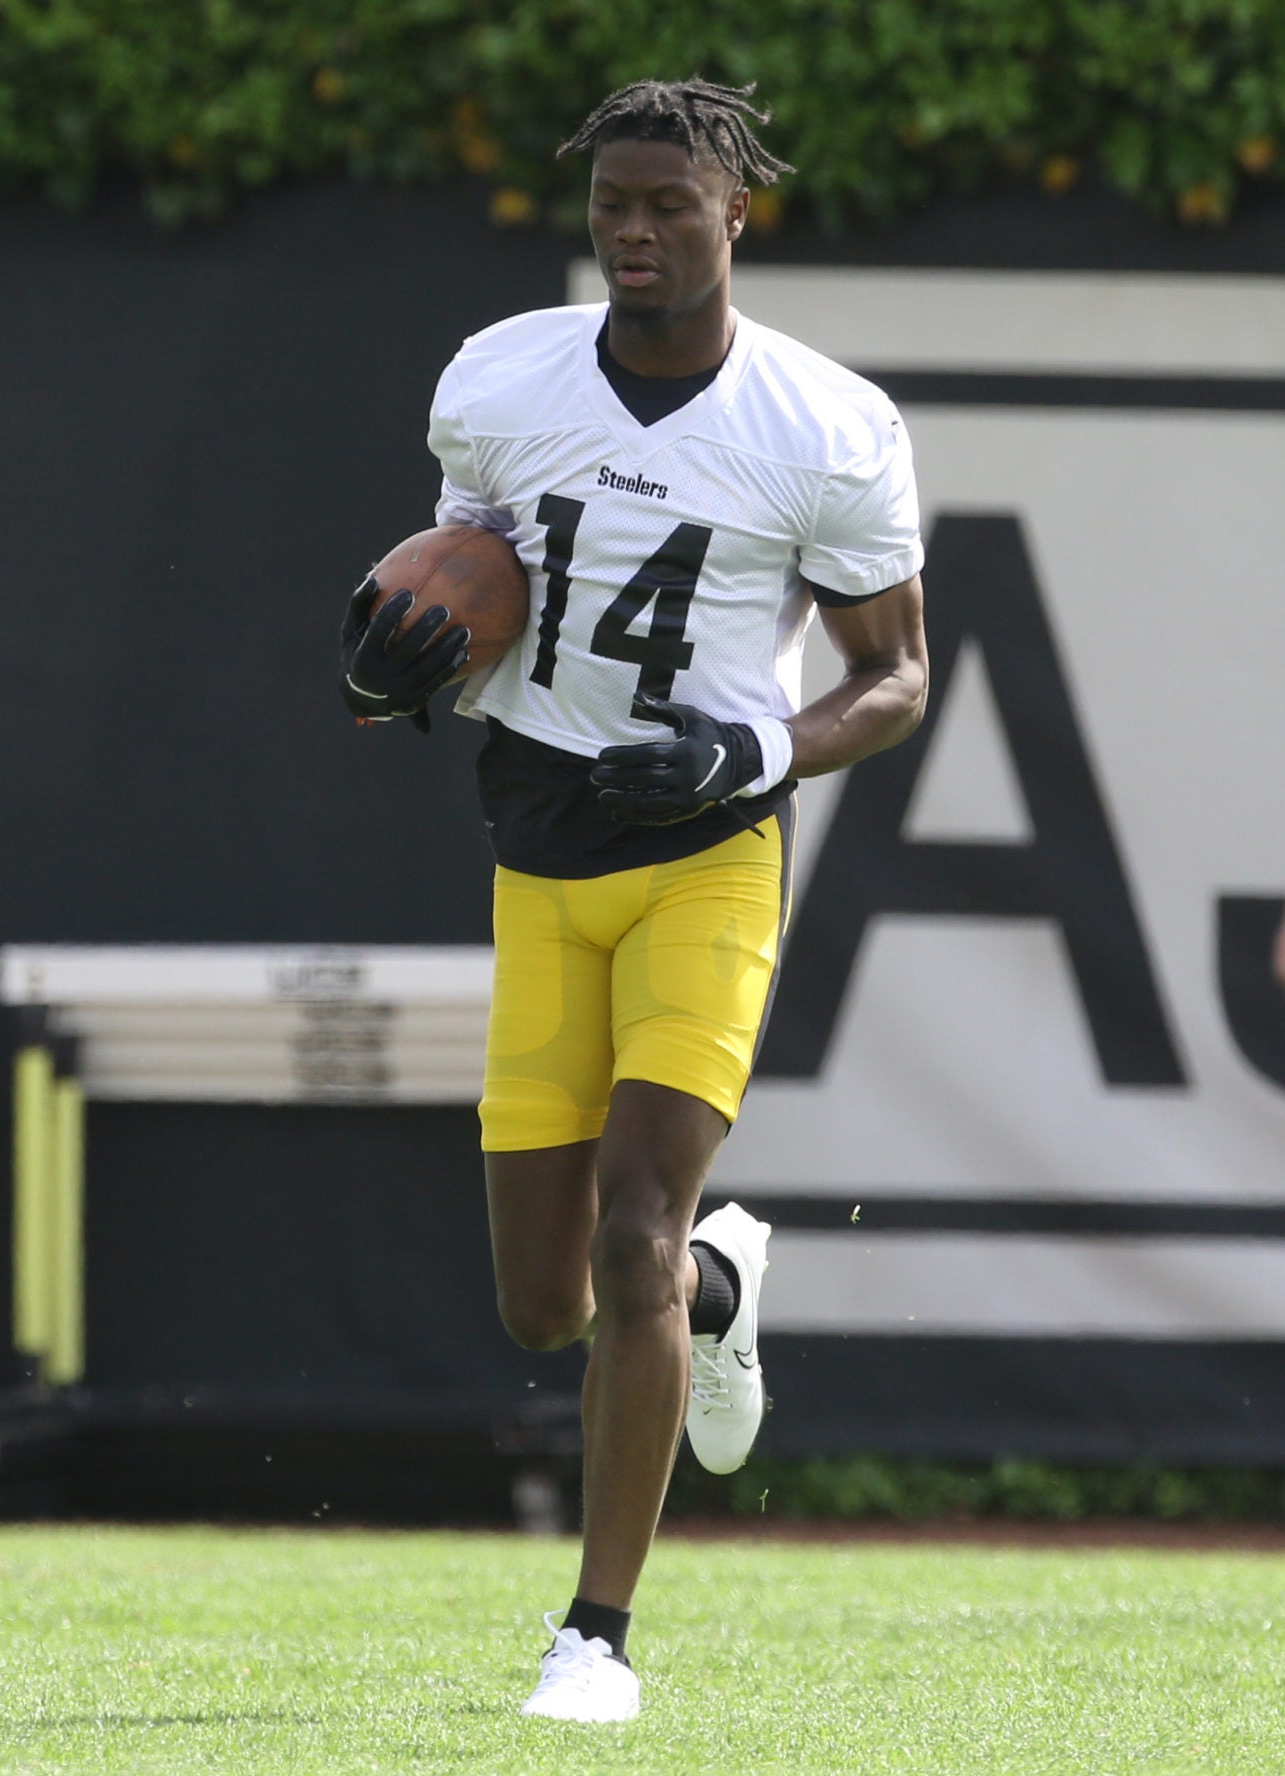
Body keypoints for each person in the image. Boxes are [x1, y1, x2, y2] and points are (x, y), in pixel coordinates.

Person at [340, 78, 930, 1723]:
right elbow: (467, 587)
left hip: (708, 855)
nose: (638, 231)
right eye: (615, 203)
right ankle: (722, 1294)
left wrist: (757, 746)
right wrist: (398, 672)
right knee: (546, 1306)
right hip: (540, 847)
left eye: (672, 203)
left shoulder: (824, 423)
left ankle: (595, 1637)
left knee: (633, 1228)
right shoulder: (502, 377)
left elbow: (897, 677)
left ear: (737, 212)